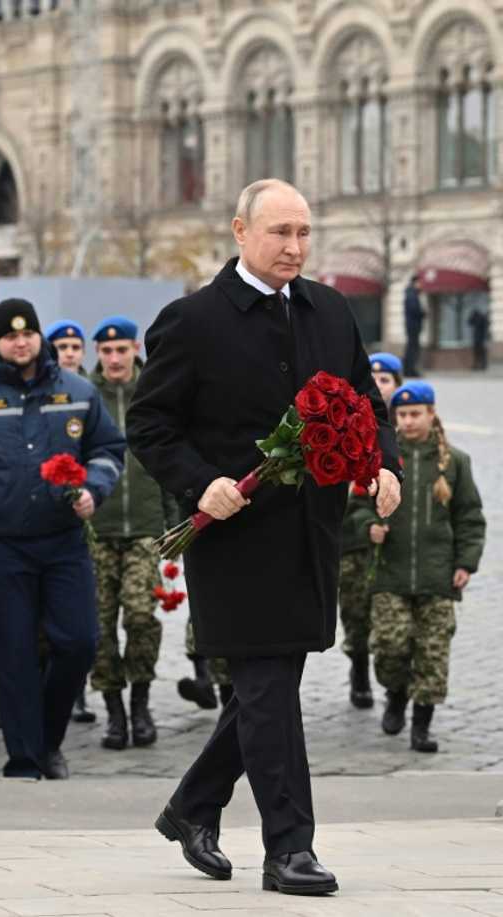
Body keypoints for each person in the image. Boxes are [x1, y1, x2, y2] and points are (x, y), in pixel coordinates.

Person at [126, 179, 401, 895]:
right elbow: (149, 424)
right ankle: (290, 849)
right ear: (240, 231)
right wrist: (200, 481)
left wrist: (384, 465)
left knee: (266, 688)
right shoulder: (192, 321)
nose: (295, 246)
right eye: (281, 232)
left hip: (311, 533)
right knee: (269, 687)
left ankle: (192, 806)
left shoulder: (332, 309)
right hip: (234, 539)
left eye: (305, 232)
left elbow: (366, 404)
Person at [0, 298, 125, 779]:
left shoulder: (77, 391)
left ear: (39, 337)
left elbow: (108, 449)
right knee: (13, 653)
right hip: (1, 545)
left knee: (79, 642)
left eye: (28, 334)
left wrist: (93, 490)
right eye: (11, 335)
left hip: (63, 542)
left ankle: (48, 737)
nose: (21, 342)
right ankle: (25, 757)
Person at [358, 381, 484, 752]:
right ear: (394, 417)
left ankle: (422, 726)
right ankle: (396, 694)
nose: (409, 421)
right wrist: (369, 527)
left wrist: (465, 562)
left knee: (433, 652)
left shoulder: (454, 462)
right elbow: (354, 509)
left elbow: (469, 517)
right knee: (389, 646)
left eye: (416, 414)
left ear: (431, 414)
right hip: (391, 574)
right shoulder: (380, 461)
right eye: (403, 414)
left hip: (438, 575)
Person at [88, 316, 178, 749]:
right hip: (97, 530)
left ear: (135, 348)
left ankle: (140, 701)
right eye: (106, 351)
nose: (114, 358)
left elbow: (172, 454)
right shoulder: (86, 396)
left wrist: (176, 520)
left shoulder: (155, 391)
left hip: (145, 527)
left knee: (141, 617)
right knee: (100, 625)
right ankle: (114, 712)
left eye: (121, 350)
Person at [339, 352, 403, 711]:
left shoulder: (411, 428)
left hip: (396, 542)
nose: (379, 384)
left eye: (386, 379)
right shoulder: (349, 426)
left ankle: (396, 686)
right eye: (373, 377)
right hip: (354, 539)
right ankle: (359, 669)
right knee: (355, 609)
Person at [47, 318, 97, 725]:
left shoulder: (88, 395)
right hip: (53, 526)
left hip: (95, 517)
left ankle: (83, 690)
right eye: (60, 346)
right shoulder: (46, 395)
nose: (68, 353)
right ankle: (70, 692)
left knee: (86, 622)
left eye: (74, 346)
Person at [403, 275, 425, 377]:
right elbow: (414, 309)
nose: (421, 285)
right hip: (413, 326)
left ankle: (409, 369)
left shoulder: (411, 293)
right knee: (412, 348)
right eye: (420, 283)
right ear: (415, 283)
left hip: (412, 325)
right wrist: (422, 313)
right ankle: (410, 370)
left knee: (411, 347)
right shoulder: (412, 294)